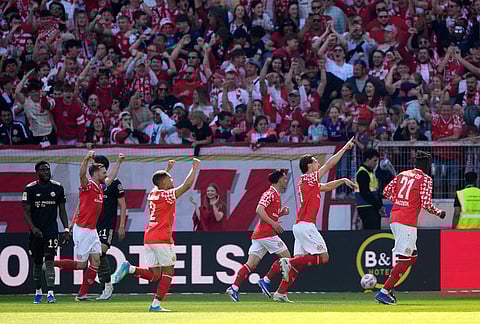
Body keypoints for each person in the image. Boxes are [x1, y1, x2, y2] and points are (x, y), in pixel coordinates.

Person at [111, 158, 201, 312]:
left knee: (155, 275)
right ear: (164, 183)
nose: (172, 180)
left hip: (149, 237)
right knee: (169, 271)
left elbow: (157, 183)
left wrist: (168, 169)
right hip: (162, 238)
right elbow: (186, 186)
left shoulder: (152, 194)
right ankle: (156, 304)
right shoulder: (167, 195)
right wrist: (194, 167)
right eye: (170, 179)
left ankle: (130, 268)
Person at [275, 139, 357, 302]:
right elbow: (329, 165)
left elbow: (325, 187)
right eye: (314, 161)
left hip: (300, 226)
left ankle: (280, 292)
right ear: (309, 166)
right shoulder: (307, 179)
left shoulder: (309, 183)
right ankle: (288, 261)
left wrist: (342, 181)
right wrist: (345, 148)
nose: (317, 163)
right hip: (306, 225)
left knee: (298, 266)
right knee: (324, 257)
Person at [376, 151, 446, 305]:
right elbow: (427, 204)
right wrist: (439, 212)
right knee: (406, 258)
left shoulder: (402, 174)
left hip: (395, 218)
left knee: (411, 256)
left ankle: (389, 287)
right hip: (407, 222)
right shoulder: (426, 179)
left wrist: (401, 201)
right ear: (427, 166)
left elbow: (386, 192)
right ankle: (384, 291)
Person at [54, 151, 125, 301]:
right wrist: (86, 159)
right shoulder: (87, 186)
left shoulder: (100, 187)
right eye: (103, 173)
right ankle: (51, 263)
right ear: (95, 173)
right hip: (83, 230)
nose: (106, 175)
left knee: (96, 260)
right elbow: (81, 175)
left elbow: (111, 178)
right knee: (81, 265)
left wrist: (119, 162)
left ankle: (82, 293)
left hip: (92, 230)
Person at [225, 169, 291, 302]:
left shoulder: (276, 194)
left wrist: (281, 214)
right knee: (288, 259)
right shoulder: (269, 193)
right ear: (278, 180)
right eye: (284, 178)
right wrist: (275, 224)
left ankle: (234, 288)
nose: (286, 180)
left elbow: (268, 213)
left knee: (251, 264)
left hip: (260, 234)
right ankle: (266, 280)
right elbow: (259, 210)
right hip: (267, 233)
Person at [23, 161, 70, 304]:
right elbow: (26, 211)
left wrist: (66, 229)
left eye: (47, 170)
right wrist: (33, 228)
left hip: (51, 230)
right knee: (37, 262)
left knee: (49, 260)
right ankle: (38, 292)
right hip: (36, 231)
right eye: (43, 170)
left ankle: (50, 293)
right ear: (37, 172)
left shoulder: (58, 187)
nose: (46, 172)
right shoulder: (30, 189)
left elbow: (62, 210)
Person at [93, 155, 128, 300]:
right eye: (95, 165)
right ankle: (102, 287)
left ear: (105, 168)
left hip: (107, 224)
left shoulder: (114, 183)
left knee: (101, 252)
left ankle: (107, 285)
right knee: (94, 257)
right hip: (92, 225)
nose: (97, 167)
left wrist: (121, 226)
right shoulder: (92, 185)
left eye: (99, 165)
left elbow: (123, 206)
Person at [355, 149, 385, 230]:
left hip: (372, 207)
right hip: (366, 207)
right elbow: (365, 193)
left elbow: (375, 191)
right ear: (368, 160)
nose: (376, 163)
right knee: (371, 231)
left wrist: (380, 205)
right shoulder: (362, 173)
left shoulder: (370, 172)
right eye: (374, 160)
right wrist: (378, 206)